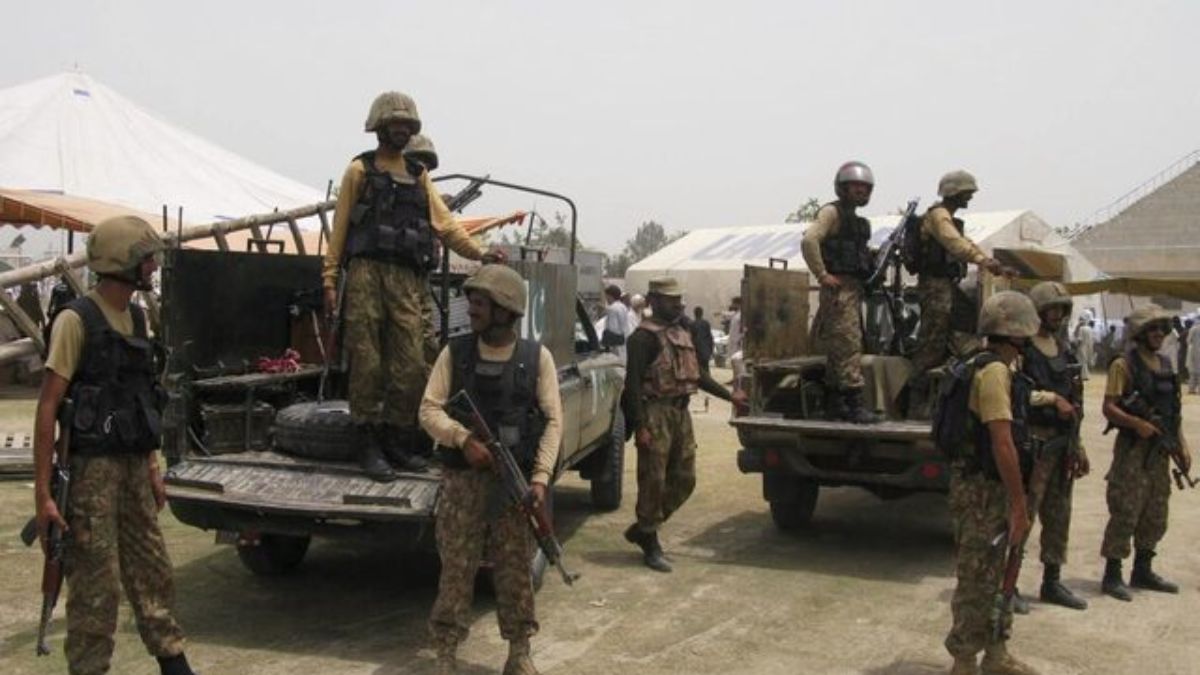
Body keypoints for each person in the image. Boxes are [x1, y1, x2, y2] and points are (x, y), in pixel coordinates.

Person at [34, 216, 195, 675]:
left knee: (153, 570)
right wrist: (43, 495)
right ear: (122, 261)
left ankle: (174, 662)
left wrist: (151, 467)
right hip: (89, 474)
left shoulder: (138, 318)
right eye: (146, 259)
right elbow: (48, 408)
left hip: (132, 468)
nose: (152, 266)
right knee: (96, 587)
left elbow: (140, 398)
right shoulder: (74, 320)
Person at [322, 91, 502, 481]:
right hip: (367, 274)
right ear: (380, 128)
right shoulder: (359, 171)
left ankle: (394, 439)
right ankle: (367, 442)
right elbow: (338, 233)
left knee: (410, 366)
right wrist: (330, 280)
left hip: (405, 280)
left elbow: (446, 226)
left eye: (408, 126)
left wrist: (481, 253)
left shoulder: (420, 177)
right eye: (396, 125)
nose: (402, 131)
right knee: (367, 364)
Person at [419, 264, 562, 675]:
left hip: (512, 485)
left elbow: (553, 420)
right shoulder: (455, 352)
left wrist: (539, 478)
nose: (472, 309)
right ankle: (445, 653)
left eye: (481, 303)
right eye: (473, 301)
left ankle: (519, 652)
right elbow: (428, 409)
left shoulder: (537, 358)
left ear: (506, 309)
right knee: (456, 569)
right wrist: (462, 440)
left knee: (515, 568)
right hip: (462, 483)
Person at [944, 291, 1040, 675]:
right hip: (985, 490)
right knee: (978, 577)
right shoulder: (995, 372)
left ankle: (996, 653)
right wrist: (1018, 504)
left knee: (1002, 570)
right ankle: (965, 661)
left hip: (980, 485)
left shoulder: (981, 365)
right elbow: (1001, 441)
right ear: (1018, 333)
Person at [621, 278, 744, 572]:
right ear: (653, 300)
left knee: (685, 479)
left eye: (679, 299)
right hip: (655, 413)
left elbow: (698, 375)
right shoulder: (642, 338)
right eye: (670, 300)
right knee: (653, 480)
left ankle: (644, 528)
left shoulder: (682, 331)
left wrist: (731, 397)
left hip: (681, 414)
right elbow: (633, 386)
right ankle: (650, 542)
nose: (678, 305)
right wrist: (640, 427)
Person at [1099, 304, 1192, 601]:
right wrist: (1136, 423)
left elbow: (1172, 413)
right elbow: (1109, 407)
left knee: (1156, 510)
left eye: (1162, 329)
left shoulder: (1166, 365)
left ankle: (1143, 568)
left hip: (1159, 452)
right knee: (1125, 509)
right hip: (1133, 450)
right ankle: (1113, 574)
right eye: (1152, 329)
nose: (1159, 334)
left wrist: (1182, 445)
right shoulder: (1123, 365)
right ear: (1140, 333)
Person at [1021, 282, 1089, 611]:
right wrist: (1051, 398)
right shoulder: (1023, 350)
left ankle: (1052, 580)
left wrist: (1078, 446)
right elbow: (1016, 393)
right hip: (1035, 443)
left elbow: (1075, 402)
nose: (1057, 315)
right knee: (1022, 515)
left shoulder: (1063, 348)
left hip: (1062, 444)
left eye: (1061, 309)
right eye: (1051, 309)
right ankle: (1009, 584)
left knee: (1059, 516)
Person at [910, 171, 1013, 387]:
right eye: (966, 193)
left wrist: (990, 263)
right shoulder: (939, 216)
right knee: (932, 341)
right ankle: (918, 394)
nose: (970, 197)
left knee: (955, 333)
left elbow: (966, 243)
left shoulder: (947, 217)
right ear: (954, 192)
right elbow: (954, 242)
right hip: (935, 285)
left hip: (946, 285)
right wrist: (982, 260)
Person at [800, 161, 884, 424]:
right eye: (855, 186)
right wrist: (822, 275)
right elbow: (809, 240)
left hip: (851, 288)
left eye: (865, 187)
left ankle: (837, 404)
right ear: (842, 188)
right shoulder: (831, 213)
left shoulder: (855, 220)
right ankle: (854, 404)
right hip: (840, 290)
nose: (861, 191)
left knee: (841, 348)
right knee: (848, 346)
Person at [600, 284, 629, 357]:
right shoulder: (623, 307)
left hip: (615, 346)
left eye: (606, 296)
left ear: (610, 296)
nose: (606, 299)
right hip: (623, 341)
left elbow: (612, 328)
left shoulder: (612, 308)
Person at [689, 306, 715, 372]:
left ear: (694, 313)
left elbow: (691, 338)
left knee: (698, 368)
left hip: (697, 350)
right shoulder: (706, 323)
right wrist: (710, 349)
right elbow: (710, 337)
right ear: (702, 313)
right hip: (705, 349)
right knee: (705, 367)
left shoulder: (692, 324)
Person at [1187, 319, 1200, 394]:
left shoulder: (1193, 329)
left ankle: (1191, 389)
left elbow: (1188, 341)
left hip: (1194, 351)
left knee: (1192, 372)